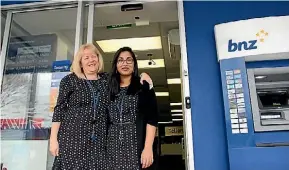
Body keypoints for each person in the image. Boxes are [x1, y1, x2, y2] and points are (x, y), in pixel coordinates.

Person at [49, 44, 153, 170]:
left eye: (94, 56)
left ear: (99, 59)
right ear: (80, 62)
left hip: (98, 143)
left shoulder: (106, 80)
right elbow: (59, 110)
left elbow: (125, 74)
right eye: (86, 57)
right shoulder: (69, 80)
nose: (91, 60)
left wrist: (143, 75)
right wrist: (53, 139)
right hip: (72, 140)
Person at [106, 47, 158, 170]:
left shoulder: (143, 87)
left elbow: (152, 119)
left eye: (129, 60)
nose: (125, 63)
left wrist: (148, 148)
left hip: (135, 144)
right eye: (121, 60)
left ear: (134, 64)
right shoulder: (108, 87)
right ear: (116, 64)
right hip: (112, 147)